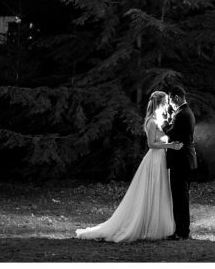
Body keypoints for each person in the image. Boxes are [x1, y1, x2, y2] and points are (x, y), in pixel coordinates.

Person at [75, 91, 183, 242]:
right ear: (158, 103)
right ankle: (145, 227)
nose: (166, 104)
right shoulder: (151, 121)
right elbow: (151, 144)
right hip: (155, 160)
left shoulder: (158, 119)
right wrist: (170, 145)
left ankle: (155, 226)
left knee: (158, 191)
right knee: (151, 191)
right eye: (164, 102)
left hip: (161, 159)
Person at [162, 85, 196, 240]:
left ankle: (181, 232)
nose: (170, 103)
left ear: (176, 97)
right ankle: (182, 230)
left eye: (170, 99)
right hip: (185, 159)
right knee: (182, 196)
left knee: (179, 197)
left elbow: (172, 134)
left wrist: (163, 124)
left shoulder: (182, 113)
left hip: (180, 160)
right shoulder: (185, 112)